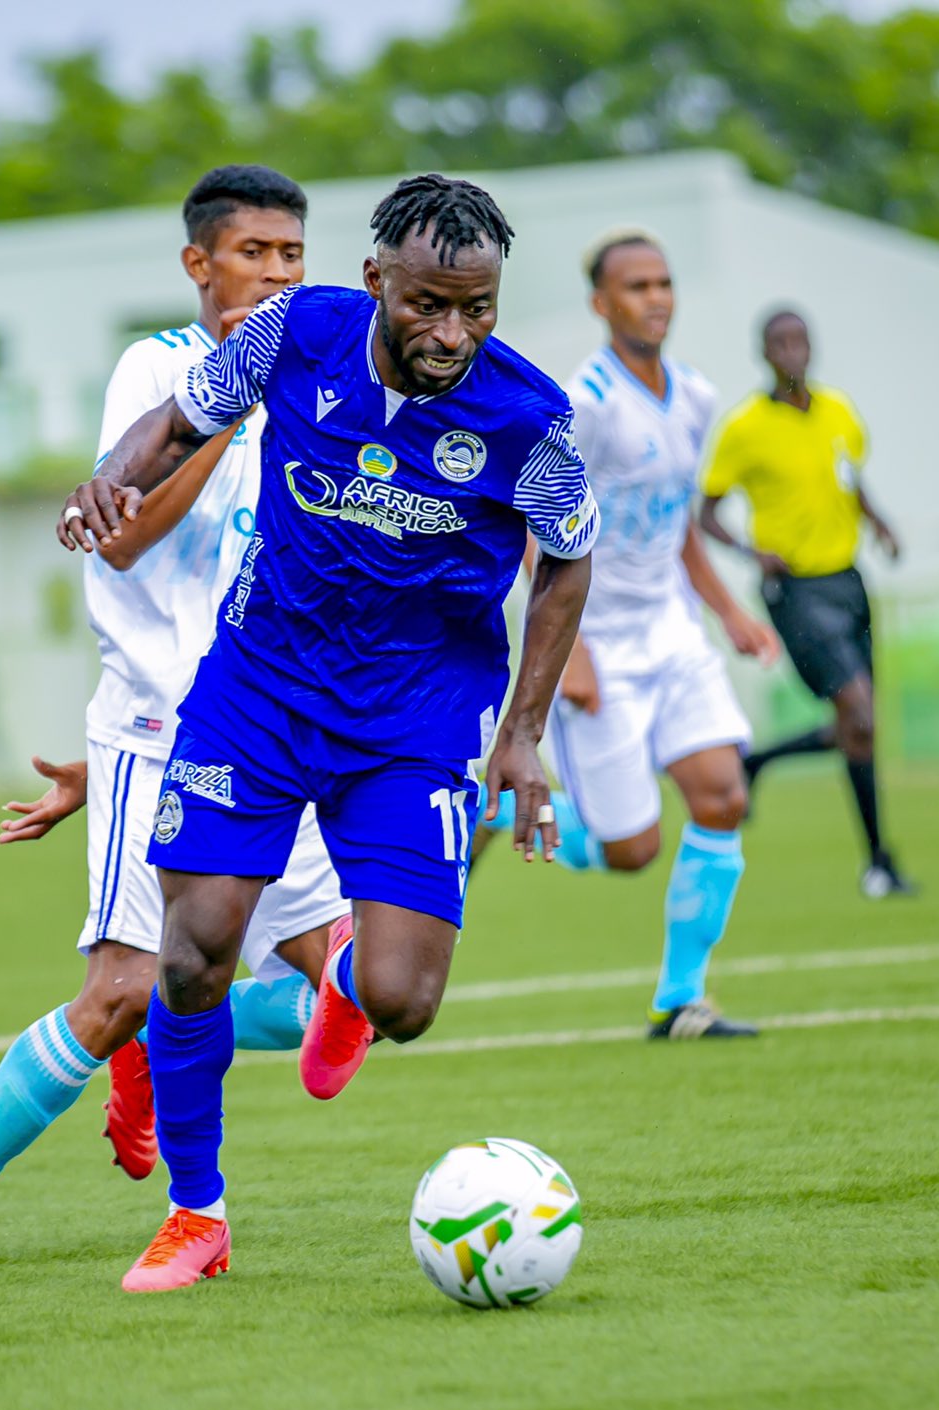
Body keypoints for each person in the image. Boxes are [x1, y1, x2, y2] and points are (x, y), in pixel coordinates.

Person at [63, 172, 598, 1293]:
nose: (452, 333)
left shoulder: (531, 417)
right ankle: (195, 1215)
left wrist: (523, 732)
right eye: (426, 305)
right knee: (195, 948)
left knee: (402, 1000)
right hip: (259, 687)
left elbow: (566, 560)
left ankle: (347, 987)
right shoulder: (291, 334)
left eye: (477, 308)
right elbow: (174, 423)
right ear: (372, 283)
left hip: (416, 717)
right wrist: (107, 483)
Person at [0, 165, 348, 1268]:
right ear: (199, 264)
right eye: (253, 256)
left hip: (277, 730)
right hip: (156, 729)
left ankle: (157, 1048)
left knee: (366, 978)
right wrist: (231, 417)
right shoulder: (161, 369)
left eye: (291, 257)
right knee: (119, 991)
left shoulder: (324, 377)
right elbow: (124, 537)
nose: (276, 277)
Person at [488, 229, 780, 1038]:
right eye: (636, 286)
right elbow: (524, 523)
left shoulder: (695, 396)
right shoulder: (581, 403)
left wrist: (729, 613)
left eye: (663, 282)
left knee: (723, 795)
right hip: (600, 644)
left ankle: (682, 999)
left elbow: (678, 519)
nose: (655, 298)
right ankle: (499, 811)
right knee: (632, 851)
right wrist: (566, 648)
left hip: (673, 635)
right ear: (601, 304)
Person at [697, 309, 914, 898]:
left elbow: (850, 478)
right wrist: (751, 551)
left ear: (812, 348)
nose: (791, 352)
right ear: (764, 354)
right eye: (780, 343)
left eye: (800, 341)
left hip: (847, 580)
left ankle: (878, 863)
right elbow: (707, 513)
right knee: (859, 715)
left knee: (861, 729)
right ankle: (876, 860)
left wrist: (880, 523)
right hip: (794, 589)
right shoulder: (744, 427)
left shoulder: (839, 412)